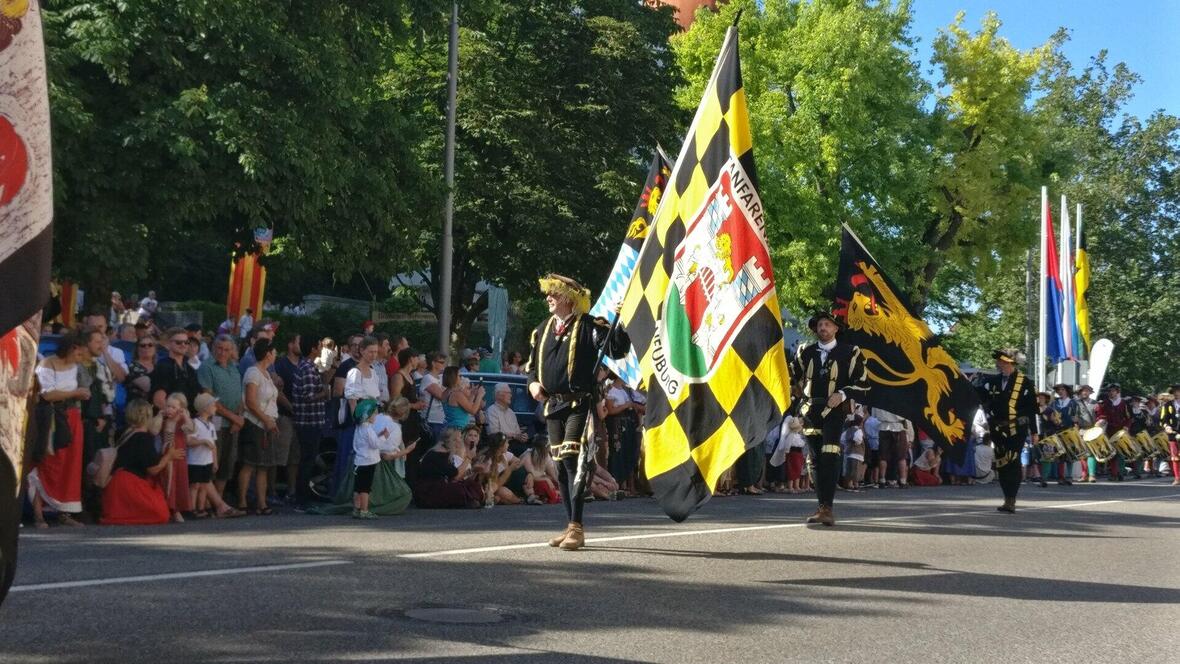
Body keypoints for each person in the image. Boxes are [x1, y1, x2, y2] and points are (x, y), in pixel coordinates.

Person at [527, 274, 630, 551]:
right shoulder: (541, 329)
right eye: (548, 293)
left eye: (554, 293)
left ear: (570, 299)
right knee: (560, 466)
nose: (549, 297)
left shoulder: (590, 326)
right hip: (552, 406)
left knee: (573, 460)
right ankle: (570, 524)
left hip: (578, 404)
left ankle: (577, 526)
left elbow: (616, 349)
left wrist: (620, 325)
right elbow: (530, 369)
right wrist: (533, 384)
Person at [790, 311, 869, 526]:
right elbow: (791, 376)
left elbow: (862, 382)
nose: (823, 328)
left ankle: (827, 507)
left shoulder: (850, 352)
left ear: (836, 328)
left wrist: (842, 394)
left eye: (827, 324)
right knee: (814, 458)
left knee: (830, 453)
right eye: (820, 325)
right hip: (810, 410)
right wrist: (792, 389)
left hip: (835, 410)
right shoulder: (804, 351)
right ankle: (822, 506)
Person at [28, 332, 91, 528]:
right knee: (46, 462)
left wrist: (83, 393)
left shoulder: (77, 367)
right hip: (51, 418)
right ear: (71, 348)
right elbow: (47, 395)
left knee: (69, 466)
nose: (81, 359)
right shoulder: (47, 364)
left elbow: (84, 388)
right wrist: (75, 393)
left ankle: (64, 512)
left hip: (72, 417)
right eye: (79, 354)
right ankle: (38, 513)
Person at [976, 348, 1040, 513]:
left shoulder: (1024, 382)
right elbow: (980, 396)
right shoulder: (992, 381)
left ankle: (1011, 498)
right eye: (998, 361)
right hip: (997, 428)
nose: (998, 364)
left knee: (1013, 460)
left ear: (1009, 363)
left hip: (1016, 428)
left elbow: (1031, 409)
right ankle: (1006, 498)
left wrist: (1034, 432)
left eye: (1001, 361)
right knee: (1002, 463)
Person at [101, 400, 183, 525]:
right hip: (130, 484)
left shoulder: (125, 433)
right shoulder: (144, 438)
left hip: (116, 483)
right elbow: (153, 469)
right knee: (161, 514)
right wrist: (169, 457)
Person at [197, 335, 246, 500]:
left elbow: (239, 396)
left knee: (227, 463)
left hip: (233, 423)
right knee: (213, 463)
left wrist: (238, 418)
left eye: (227, 349)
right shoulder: (207, 367)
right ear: (213, 348)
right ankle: (208, 503)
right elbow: (208, 398)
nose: (223, 352)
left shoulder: (234, 367)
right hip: (214, 422)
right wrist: (235, 418)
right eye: (219, 348)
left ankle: (219, 500)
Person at [237, 338, 280, 515]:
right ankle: (242, 501)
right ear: (268, 353)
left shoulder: (267, 374)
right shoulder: (253, 372)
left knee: (263, 465)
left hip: (267, 424)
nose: (276, 355)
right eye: (274, 352)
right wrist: (266, 420)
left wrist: (270, 421)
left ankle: (261, 503)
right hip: (255, 423)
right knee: (249, 464)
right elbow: (250, 401)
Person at [187, 393, 245, 518]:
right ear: (204, 408)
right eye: (213, 405)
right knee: (195, 485)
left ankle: (202, 509)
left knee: (203, 485)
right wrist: (202, 442)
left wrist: (215, 461)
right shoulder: (194, 423)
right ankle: (191, 509)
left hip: (206, 461)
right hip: (196, 460)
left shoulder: (212, 425)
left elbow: (213, 445)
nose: (215, 407)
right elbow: (189, 441)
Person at [289, 334, 328, 510]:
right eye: (319, 345)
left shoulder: (312, 366)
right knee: (306, 460)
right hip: (308, 422)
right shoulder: (307, 368)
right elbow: (308, 396)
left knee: (309, 460)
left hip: (313, 420)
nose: (321, 348)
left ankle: (304, 495)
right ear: (313, 348)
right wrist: (325, 393)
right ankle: (301, 498)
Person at [412, 428, 483, 508]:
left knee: (471, 484)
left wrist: (473, 471)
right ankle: (469, 500)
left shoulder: (446, 453)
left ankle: (471, 500)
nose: (461, 440)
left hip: (440, 485)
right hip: (429, 491)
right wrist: (469, 457)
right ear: (453, 441)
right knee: (459, 489)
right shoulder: (438, 454)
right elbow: (455, 475)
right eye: (459, 438)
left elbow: (454, 478)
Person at [157, 393, 195, 522]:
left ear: (181, 408)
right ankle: (168, 508)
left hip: (179, 455)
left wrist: (185, 415)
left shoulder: (182, 421)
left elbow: (190, 430)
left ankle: (177, 508)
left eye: (173, 407)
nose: (169, 409)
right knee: (167, 480)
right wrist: (158, 415)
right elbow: (153, 430)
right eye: (168, 406)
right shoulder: (163, 420)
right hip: (167, 454)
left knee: (179, 480)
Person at [151, 327, 201, 413]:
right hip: (170, 420)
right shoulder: (163, 366)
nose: (183, 345)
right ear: (168, 344)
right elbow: (159, 401)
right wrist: (178, 418)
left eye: (186, 342)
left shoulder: (189, 367)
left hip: (189, 419)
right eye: (178, 342)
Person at [1095, 383, 1133, 482]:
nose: (1111, 393)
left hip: (1120, 430)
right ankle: (1114, 473)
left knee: (1121, 452)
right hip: (1109, 430)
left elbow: (1129, 417)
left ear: (1117, 392)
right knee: (1111, 453)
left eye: (1113, 391)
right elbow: (1100, 415)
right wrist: (1101, 420)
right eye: (1109, 391)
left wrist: (1126, 427)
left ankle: (1120, 472)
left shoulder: (1124, 403)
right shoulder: (1104, 403)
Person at [473, 433, 522, 507]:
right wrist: (509, 469)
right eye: (507, 443)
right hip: (488, 486)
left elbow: (518, 462)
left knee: (504, 492)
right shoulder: (488, 460)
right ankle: (519, 500)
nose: (508, 445)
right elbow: (494, 484)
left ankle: (501, 499)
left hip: (500, 485)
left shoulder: (505, 454)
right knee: (504, 492)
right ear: (500, 446)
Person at [874, 407, 912, 489]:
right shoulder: (900, 396)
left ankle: (882, 480)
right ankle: (903, 481)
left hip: (884, 427)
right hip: (898, 426)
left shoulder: (879, 397)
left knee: (883, 456)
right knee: (901, 456)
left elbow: (874, 414)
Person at [442, 365, 485, 430]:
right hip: (458, 429)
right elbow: (473, 411)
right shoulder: (457, 395)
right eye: (459, 376)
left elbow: (466, 408)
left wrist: (472, 394)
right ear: (453, 377)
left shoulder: (445, 392)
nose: (461, 378)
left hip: (449, 427)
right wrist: (479, 396)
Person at [522, 435, 560, 504]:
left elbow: (553, 475)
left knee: (556, 482)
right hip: (530, 483)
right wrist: (546, 479)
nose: (550, 448)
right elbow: (532, 476)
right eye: (549, 447)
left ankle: (560, 493)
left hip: (542, 478)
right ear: (544, 448)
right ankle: (554, 495)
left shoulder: (546, 456)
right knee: (544, 484)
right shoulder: (528, 455)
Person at [419, 351, 448, 442]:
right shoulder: (428, 378)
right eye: (441, 362)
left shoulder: (440, 378)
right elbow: (442, 396)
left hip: (441, 419)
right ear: (433, 363)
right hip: (432, 421)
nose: (444, 364)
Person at [1160, 385, 1180, 485]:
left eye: (1178, 391)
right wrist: (1166, 426)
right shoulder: (1167, 405)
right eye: (1175, 392)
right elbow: (1163, 419)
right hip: (1173, 434)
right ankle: (1177, 478)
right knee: (1175, 457)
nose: (1176, 394)